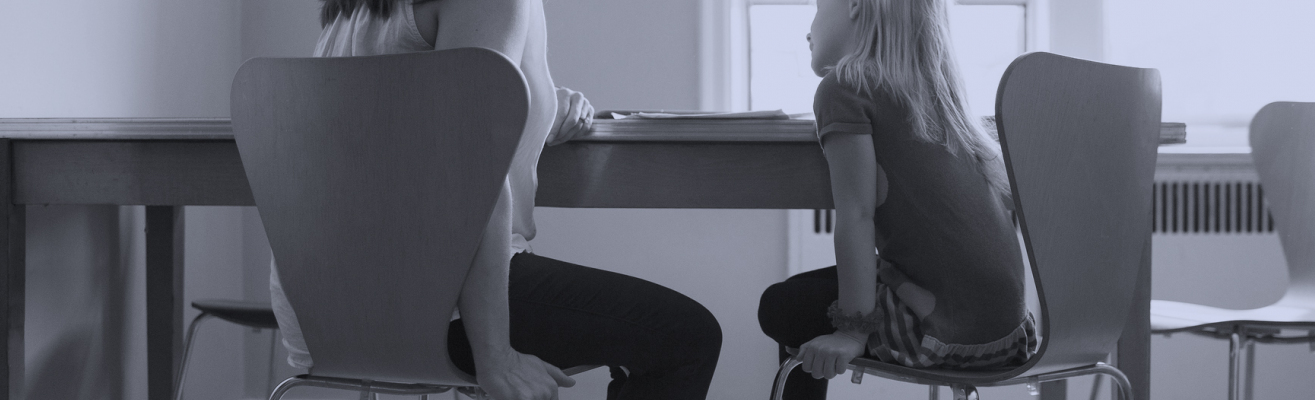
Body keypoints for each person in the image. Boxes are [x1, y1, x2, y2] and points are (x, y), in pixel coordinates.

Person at [268, 1, 723, 400]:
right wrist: (496, 356)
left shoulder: (354, 12)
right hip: (429, 311)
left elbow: (407, 122)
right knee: (685, 337)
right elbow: (474, 168)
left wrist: (535, 100)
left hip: (321, 316)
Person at [755, 0, 1039, 398]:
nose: (808, 30)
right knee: (807, 290)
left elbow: (857, 216)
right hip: (1009, 332)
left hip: (939, 331)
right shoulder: (939, 94)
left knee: (784, 306)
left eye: (817, 8)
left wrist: (852, 332)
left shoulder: (845, 88)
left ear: (856, 6)